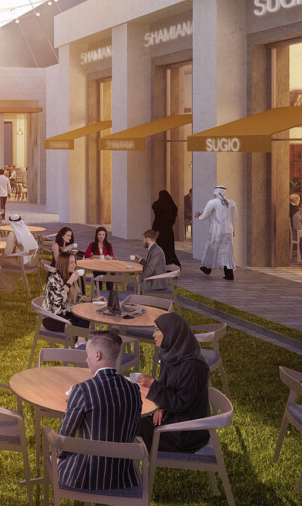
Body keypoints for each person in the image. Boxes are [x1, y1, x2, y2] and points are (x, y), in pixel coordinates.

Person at [56, 331, 141, 492]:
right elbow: (132, 431)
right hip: (122, 476)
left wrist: (57, 456)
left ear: (97, 355)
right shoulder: (134, 390)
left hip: (85, 477)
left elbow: (63, 440)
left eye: (87, 354)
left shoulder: (83, 390)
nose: (86, 359)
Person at [135, 313, 210, 453]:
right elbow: (168, 388)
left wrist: (152, 384)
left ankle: (124, 463)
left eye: (157, 330)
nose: (153, 335)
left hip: (185, 432)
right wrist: (160, 407)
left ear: (171, 333)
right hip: (172, 416)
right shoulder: (170, 355)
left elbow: (182, 402)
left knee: (132, 423)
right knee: (132, 416)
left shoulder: (192, 367)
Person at [41, 238, 89, 332]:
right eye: (71, 262)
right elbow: (58, 300)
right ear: (64, 264)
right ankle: (80, 343)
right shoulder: (54, 278)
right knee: (75, 327)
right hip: (52, 317)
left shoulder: (71, 276)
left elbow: (78, 296)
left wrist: (93, 300)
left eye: (74, 262)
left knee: (85, 318)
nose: (74, 265)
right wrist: (70, 282)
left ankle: (80, 342)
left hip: (65, 313)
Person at [194, 185, 237, 280]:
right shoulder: (231, 203)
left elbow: (205, 216)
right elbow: (234, 217)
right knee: (227, 252)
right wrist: (233, 229)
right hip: (228, 231)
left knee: (213, 249)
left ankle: (207, 268)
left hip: (217, 230)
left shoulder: (212, 202)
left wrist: (199, 217)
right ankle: (229, 274)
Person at [151, 191, 180, 267]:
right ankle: (170, 264)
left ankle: (159, 264)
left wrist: (156, 229)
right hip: (168, 230)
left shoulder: (157, 205)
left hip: (158, 229)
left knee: (159, 247)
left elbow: (158, 217)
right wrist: (169, 224)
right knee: (169, 248)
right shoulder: (171, 207)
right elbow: (173, 215)